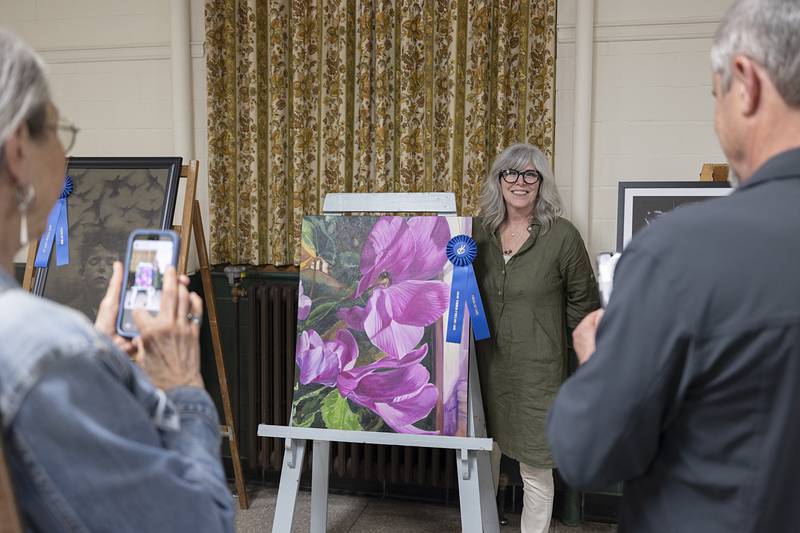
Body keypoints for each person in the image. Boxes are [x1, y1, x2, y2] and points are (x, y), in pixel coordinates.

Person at [547, 1, 800, 531]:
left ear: (745, 83)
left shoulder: (681, 254)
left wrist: (600, 361)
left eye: (715, 97)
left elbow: (588, 454)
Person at [0, 29, 234, 532]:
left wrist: (92, 358)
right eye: (60, 133)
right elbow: (200, 524)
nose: (64, 158)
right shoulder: (46, 350)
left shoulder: (59, 353)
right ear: (18, 149)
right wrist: (182, 385)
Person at [472, 143, 599, 532]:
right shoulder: (476, 232)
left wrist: (565, 351)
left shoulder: (562, 236)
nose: (520, 182)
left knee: (535, 467)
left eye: (531, 175)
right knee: (482, 456)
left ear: (541, 183)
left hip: (538, 372)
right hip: (484, 367)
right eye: (510, 173)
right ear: (499, 181)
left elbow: (584, 301)